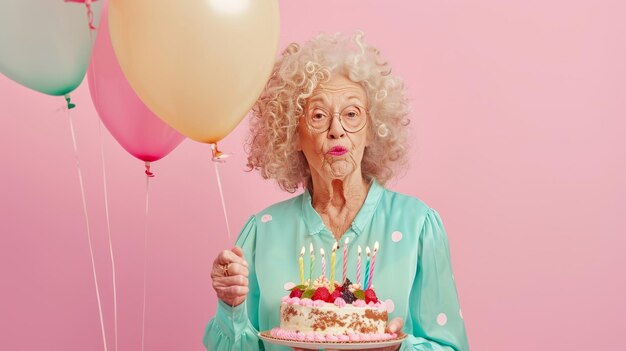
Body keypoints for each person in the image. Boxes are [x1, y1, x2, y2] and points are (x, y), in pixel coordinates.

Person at [203, 32, 469, 351]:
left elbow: (452, 347)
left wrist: (397, 348)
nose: (337, 130)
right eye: (318, 116)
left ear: (371, 130)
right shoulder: (263, 232)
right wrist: (230, 307)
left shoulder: (418, 227)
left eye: (352, 114)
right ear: (293, 134)